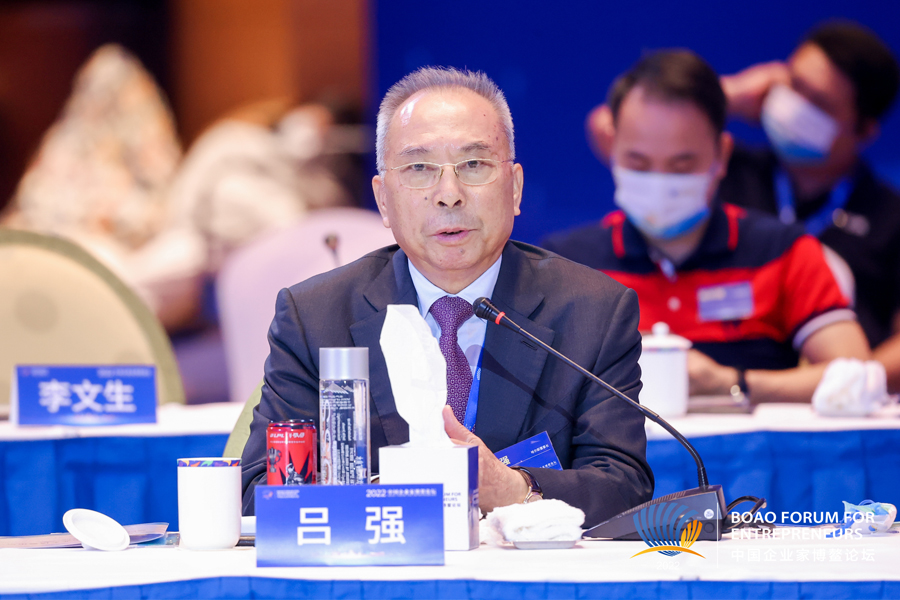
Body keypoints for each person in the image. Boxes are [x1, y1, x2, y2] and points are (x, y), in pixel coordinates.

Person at [240, 67, 654, 526]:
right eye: (419, 168)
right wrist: (400, 491)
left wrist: (513, 490)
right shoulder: (315, 317)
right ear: (383, 200)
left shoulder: (593, 311)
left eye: (474, 165)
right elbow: (260, 492)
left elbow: (624, 489)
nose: (449, 195)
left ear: (515, 187)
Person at [544, 50, 871, 403]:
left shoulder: (784, 250)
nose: (659, 182)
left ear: (722, 155)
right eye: (638, 163)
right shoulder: (562, 265)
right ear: (613, 150)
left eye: (681, 166)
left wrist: (730, 383)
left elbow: (857, 376)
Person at [717, 21, 900, 392]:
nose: (795, 107)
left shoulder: (891, 218)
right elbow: (610, 130)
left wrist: (852, 384)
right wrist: (727, 95)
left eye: (819, 104)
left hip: (838, 408)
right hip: (724, 399)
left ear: (864, 130)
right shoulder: (722, 172)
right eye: (794, 85)